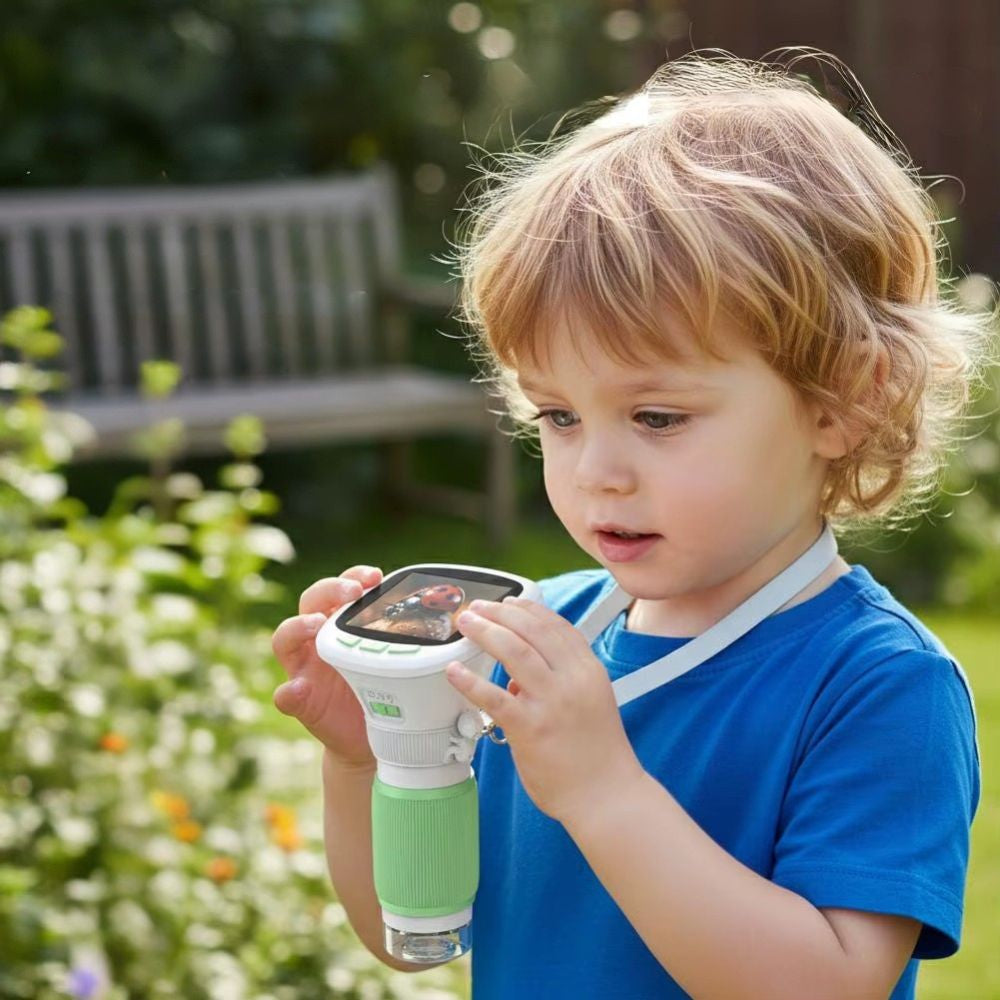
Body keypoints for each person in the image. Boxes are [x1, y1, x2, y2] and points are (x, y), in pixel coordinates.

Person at [270, 47, 995, 999]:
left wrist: (605, 793)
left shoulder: (876, 687)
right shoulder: (538, 641)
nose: (596, 472)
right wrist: (370, 760)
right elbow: (418, 933)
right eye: (559, 416)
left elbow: (825, 984)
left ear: (843, 403)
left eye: (657, 417)